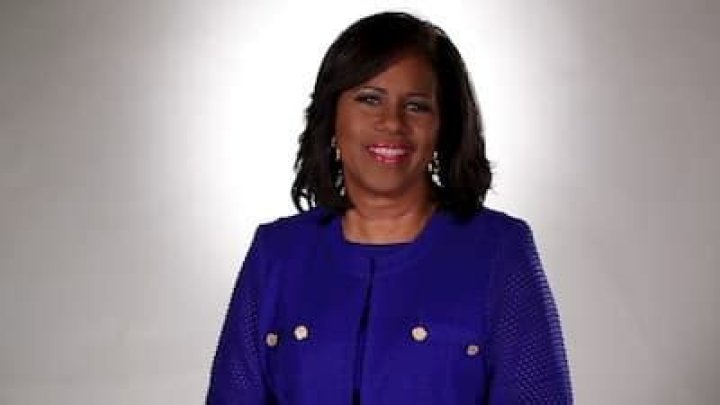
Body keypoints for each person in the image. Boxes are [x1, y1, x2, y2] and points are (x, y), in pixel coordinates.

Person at [207, 11, 572, 404]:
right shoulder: (276, 254)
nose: (392, 123)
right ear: (332, 116)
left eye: (416, 106)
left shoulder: (498, 251)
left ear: (444, 126)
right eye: (369, 99)